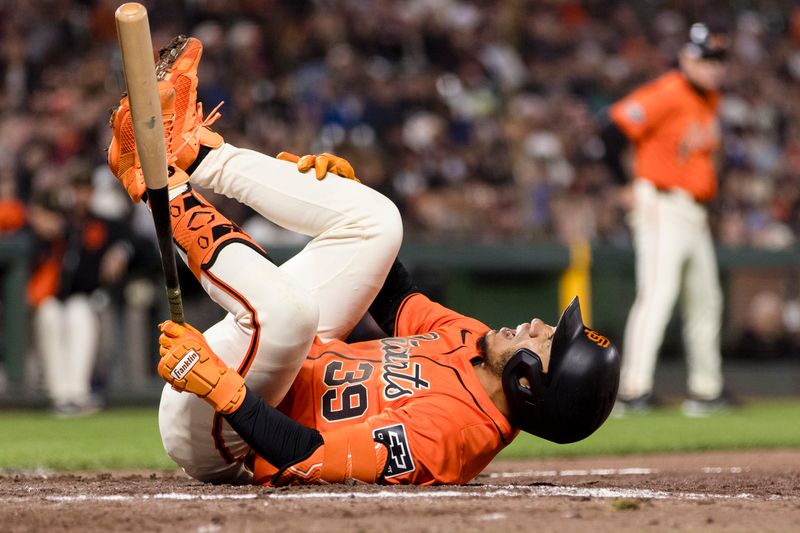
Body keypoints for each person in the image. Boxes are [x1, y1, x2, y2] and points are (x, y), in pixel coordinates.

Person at [108, 36, 620, 485]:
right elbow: (393, 293)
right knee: (380, 222)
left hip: (228, 430)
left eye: (546, 340)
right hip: (275, 362)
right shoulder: (473, 340)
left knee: (290, 316)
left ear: (530, 384)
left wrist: (225, 391)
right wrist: (345, 199)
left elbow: (305, 458)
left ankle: (159, 187)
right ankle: (195, 154)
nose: (535, 324)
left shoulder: (451, 438)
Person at [600, 23, 733, 417]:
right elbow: (611, 127)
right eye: (706, 58)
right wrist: (622, 184)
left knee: (707, 299)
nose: (714, 67)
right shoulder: (668, 92)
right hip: (661, 203)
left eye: (719, 59)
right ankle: (632, 390)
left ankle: (706, 392)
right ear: (686, 58)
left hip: (694, 209)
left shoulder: (710, 99)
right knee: (657, 295)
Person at [29, 168, 135, 416]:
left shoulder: (101, 223)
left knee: (79, 312)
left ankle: (77, 393)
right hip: (51, 298)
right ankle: (59, 395)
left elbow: (137, 241)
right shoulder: (57, 219)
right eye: (76, 189)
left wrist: (120, 251)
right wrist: (39, 226)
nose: (81, 195)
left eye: (85, 189)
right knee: (49, 313)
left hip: (86, 297)